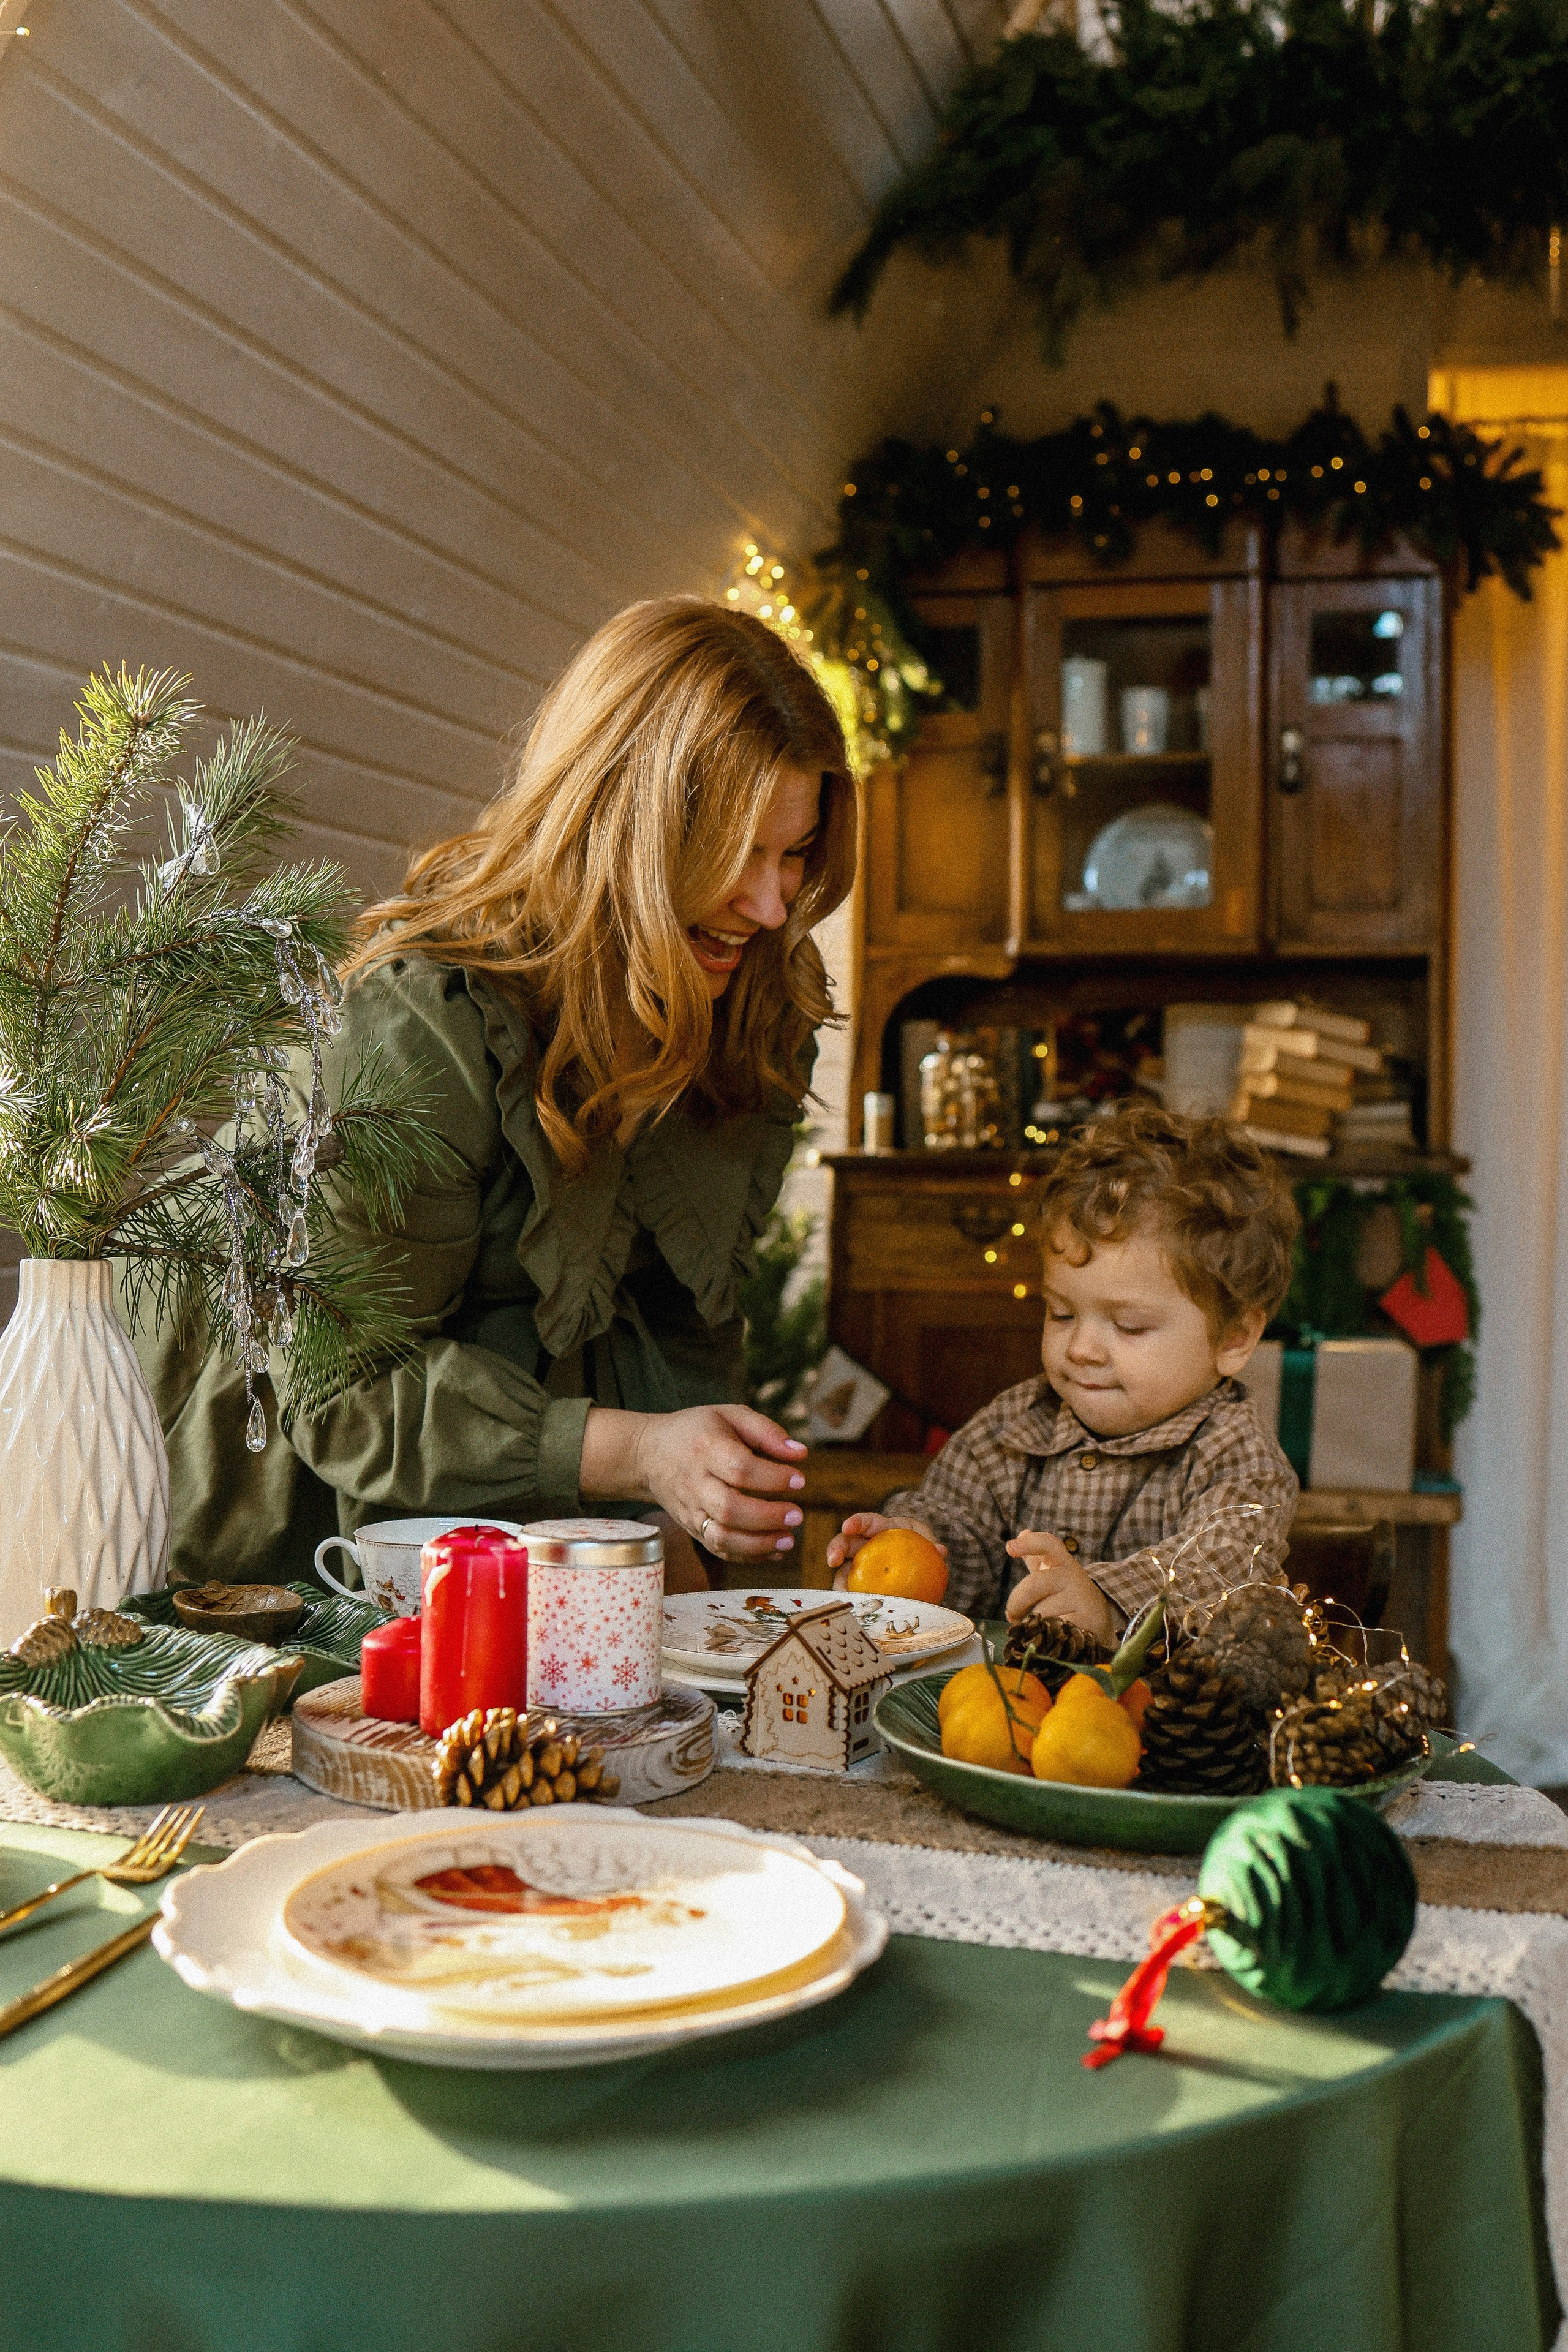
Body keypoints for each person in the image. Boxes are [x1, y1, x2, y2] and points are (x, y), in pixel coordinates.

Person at [135, 599, 856, 1589]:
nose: (773, 906)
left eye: (794, 855)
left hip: (541, 1559)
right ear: (624, 824)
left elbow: (685, 1338)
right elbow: (344, 1392)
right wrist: (642, 1452)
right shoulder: (420, 1022)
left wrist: (693, 1507)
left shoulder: (755, 1010)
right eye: (739, 854)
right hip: (301, 1551)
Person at [827, 1102, 1300, 1636]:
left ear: (1234, 1338)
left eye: (1129, 1327)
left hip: (1153, 1715)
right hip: (1003, 1704)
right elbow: (959, 1527)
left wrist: (1107, 1603)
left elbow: (1221, 1570)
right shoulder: (1016, 1424)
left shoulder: (1239, 1459)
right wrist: (914, 1543)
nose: (1082, 1349)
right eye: (1062, 1313)